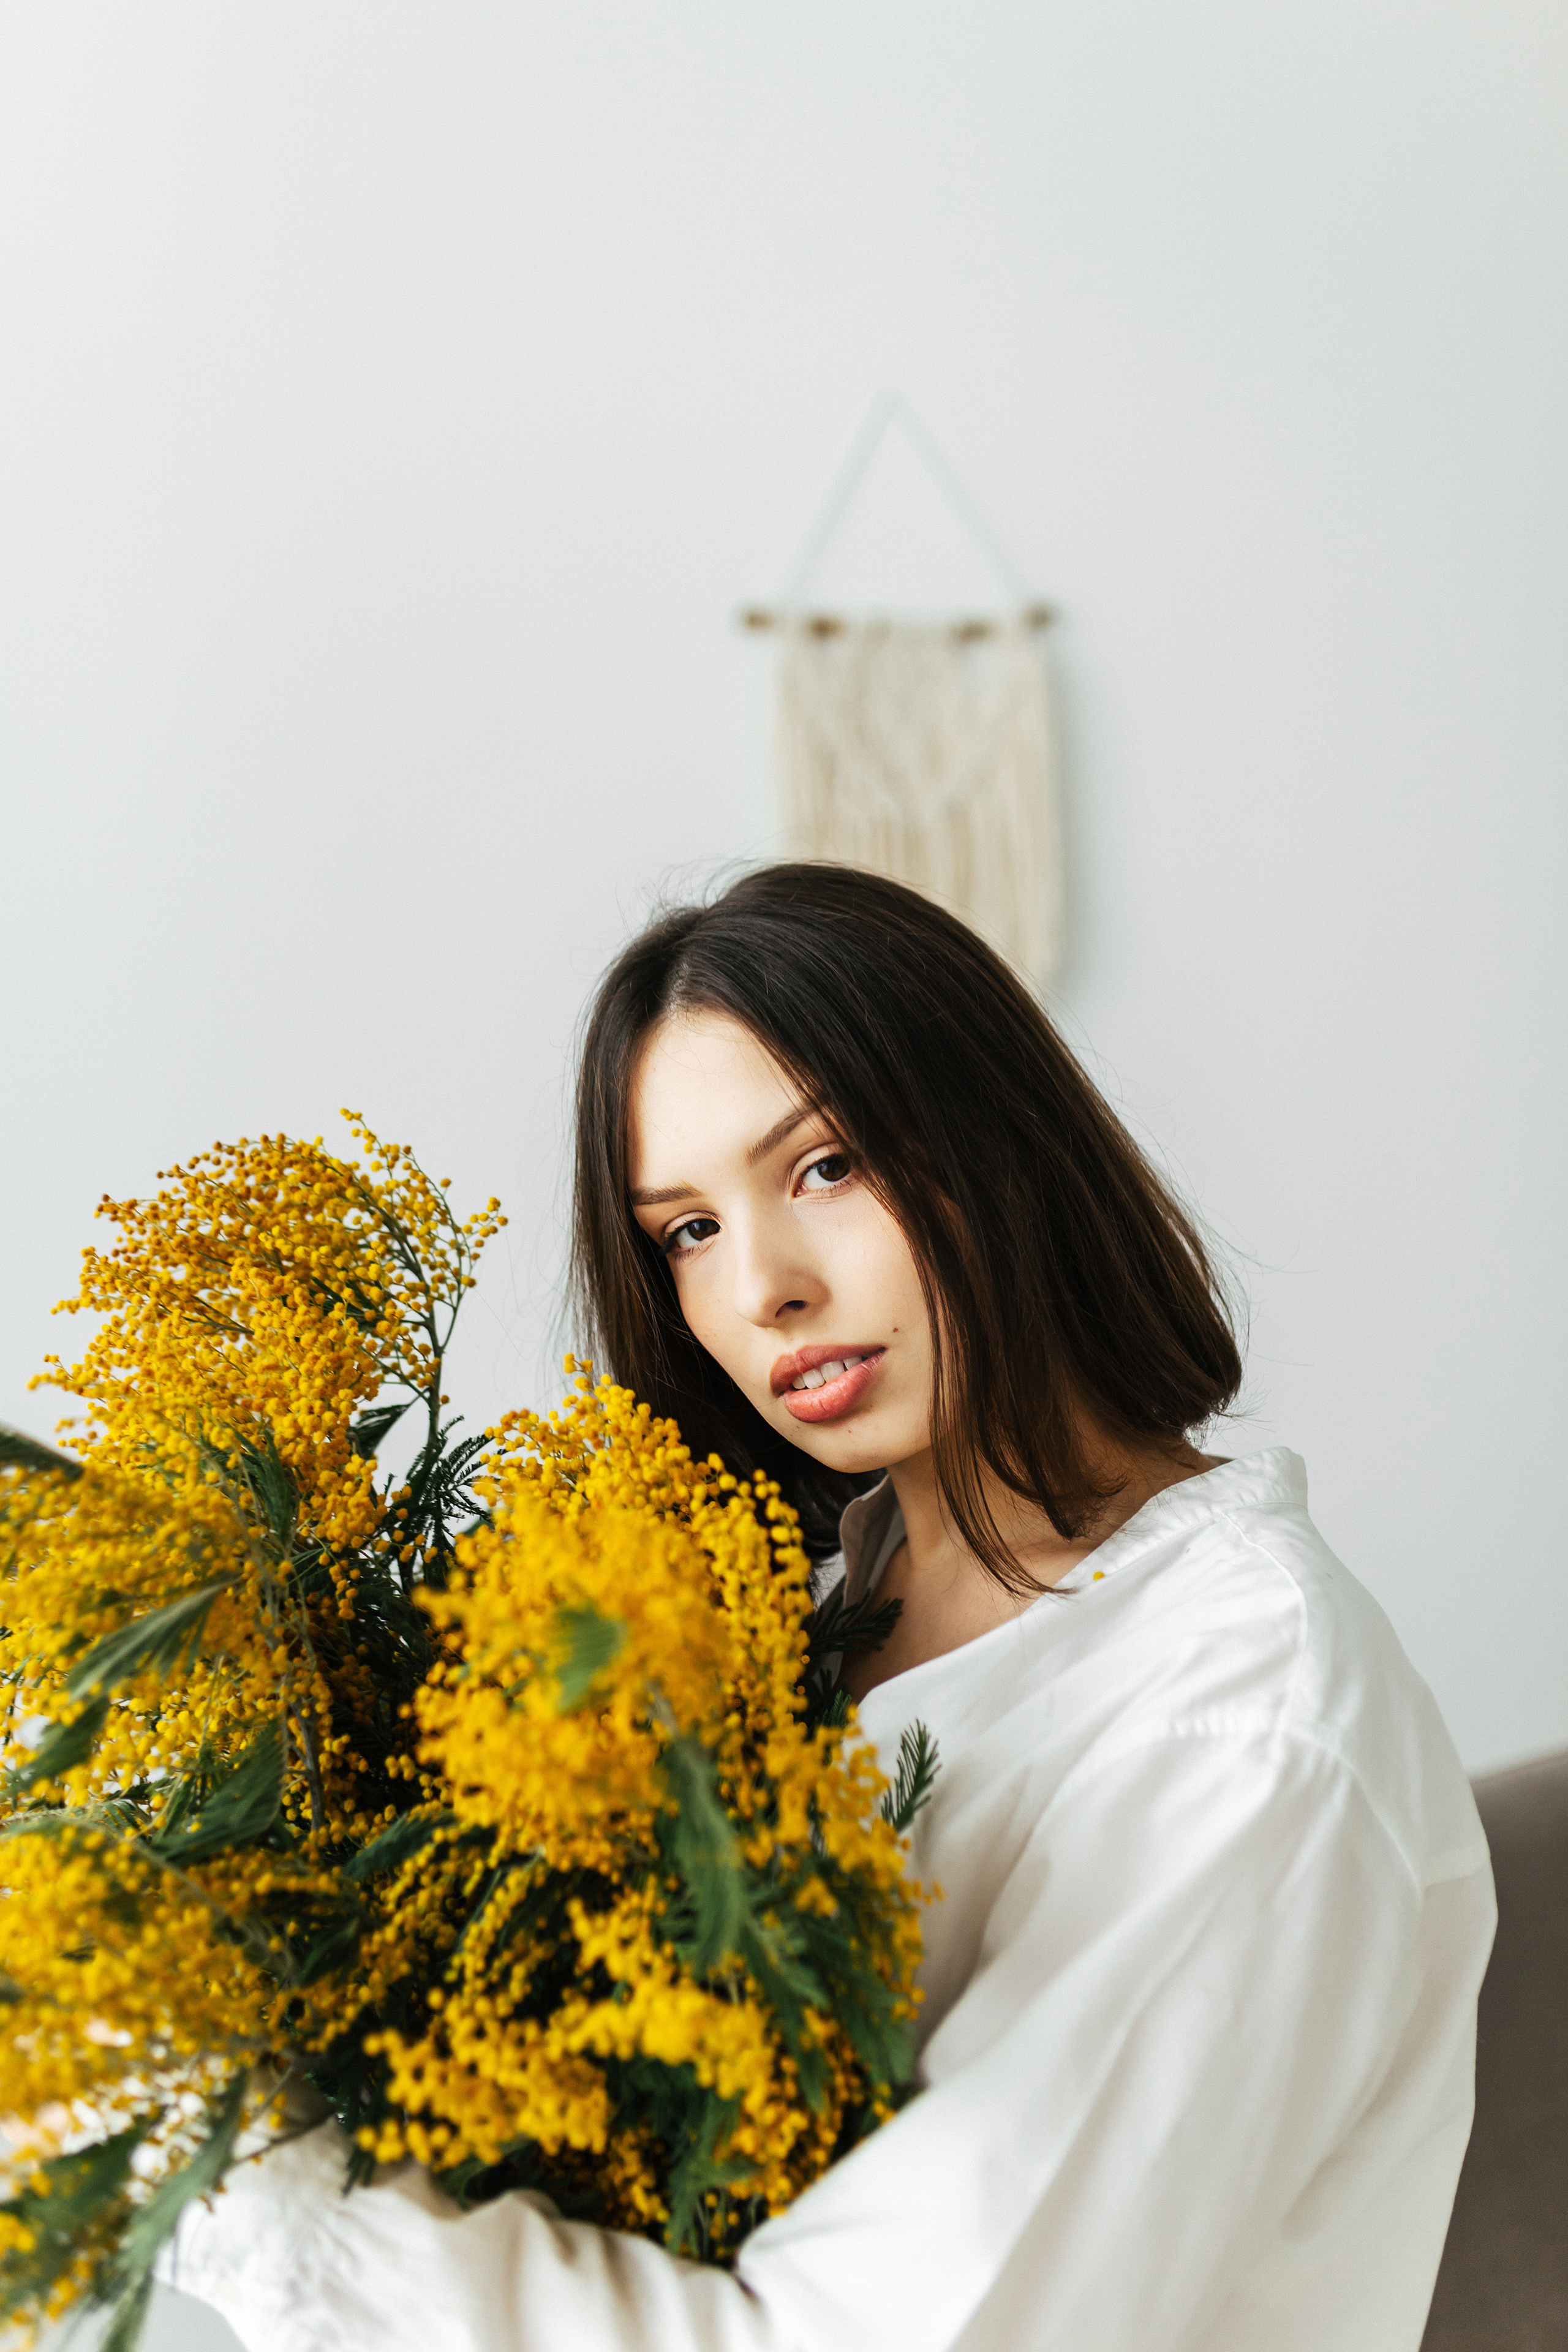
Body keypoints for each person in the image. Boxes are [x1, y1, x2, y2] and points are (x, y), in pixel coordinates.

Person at [165, 862, 1494, 2352]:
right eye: (684, 1232)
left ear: (1011, 1146)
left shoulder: (1243, 1724)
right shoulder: (752, 1621)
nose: (762, 1292)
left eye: (824, 1168)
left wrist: (206, 2152)